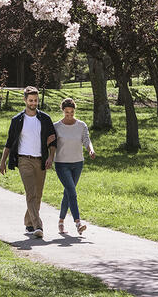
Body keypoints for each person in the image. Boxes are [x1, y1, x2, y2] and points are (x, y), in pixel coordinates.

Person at [0, 86, 57, 239]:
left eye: (35, 100)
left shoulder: (45, 119)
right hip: (24, 160)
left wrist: (51, 157)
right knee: (31, 193)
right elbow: (9, 142)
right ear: (25, 100)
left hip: (41, 160)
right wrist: (3, 161)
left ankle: (28, 222)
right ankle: (38, 226)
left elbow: (53, 141)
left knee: (38, 194)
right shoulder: (17, 120)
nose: (33, 103)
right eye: (30, 100)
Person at [53, 98, 95, 235]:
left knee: (68, 192)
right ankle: (78, 223)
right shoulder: (56, 126)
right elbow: (51, 145)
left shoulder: (81, 125)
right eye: (67, 112)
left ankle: (61, 221)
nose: (69, 115)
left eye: (71, 112)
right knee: (72, 192)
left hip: (77, 163)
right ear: (63, 111)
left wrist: (90, 150)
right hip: (61, 163)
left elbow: (86, 140)